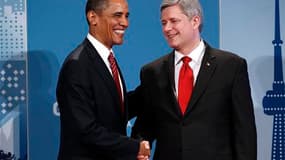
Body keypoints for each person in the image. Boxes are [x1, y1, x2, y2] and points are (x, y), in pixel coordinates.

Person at [130, 0, 257, 159]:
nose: (167, 28)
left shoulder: (231, 66)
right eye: (163, 23)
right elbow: (145, 125)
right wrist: (140, 145)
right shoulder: (152, 72)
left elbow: (244, 132)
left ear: (195, 21)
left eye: (174, 21)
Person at [56, 0, 150, 159]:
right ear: (93, 17)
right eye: (117, 15)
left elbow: (110, 111)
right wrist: (135, 148)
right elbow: (85, 130)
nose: (125, 23)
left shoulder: (106, 58)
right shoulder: (77, 65)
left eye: (127, 16)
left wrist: (153, 88)